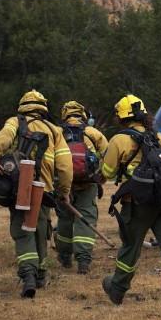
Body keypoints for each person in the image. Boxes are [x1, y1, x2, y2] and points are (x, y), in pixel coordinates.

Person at [100, 94, 161, 312]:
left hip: (137, 204)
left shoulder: (119, 140)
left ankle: (117, 289)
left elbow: (108, 171)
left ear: (121, 117)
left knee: (130, 248)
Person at [0, 90, 72, 298]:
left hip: (20, 189)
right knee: (41, 230)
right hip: (44, 190)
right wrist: (64, 191)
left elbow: (2, 138)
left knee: (22, 230)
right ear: (43, 107)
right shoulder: (54, 130)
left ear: (23, 106)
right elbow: (65, 166)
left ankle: (28, 275)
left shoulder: (16, 122)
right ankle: (41, 274)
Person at [55, 100, 109, 274]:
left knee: (64, 219)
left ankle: (65, 257)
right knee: (86, 218)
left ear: (64, 115)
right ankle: (83, 261)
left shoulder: (57, 133)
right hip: (88, 183)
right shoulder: (93, 133)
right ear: (82, 114)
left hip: (63, 184)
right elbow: (108, 156)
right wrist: (102, 176)